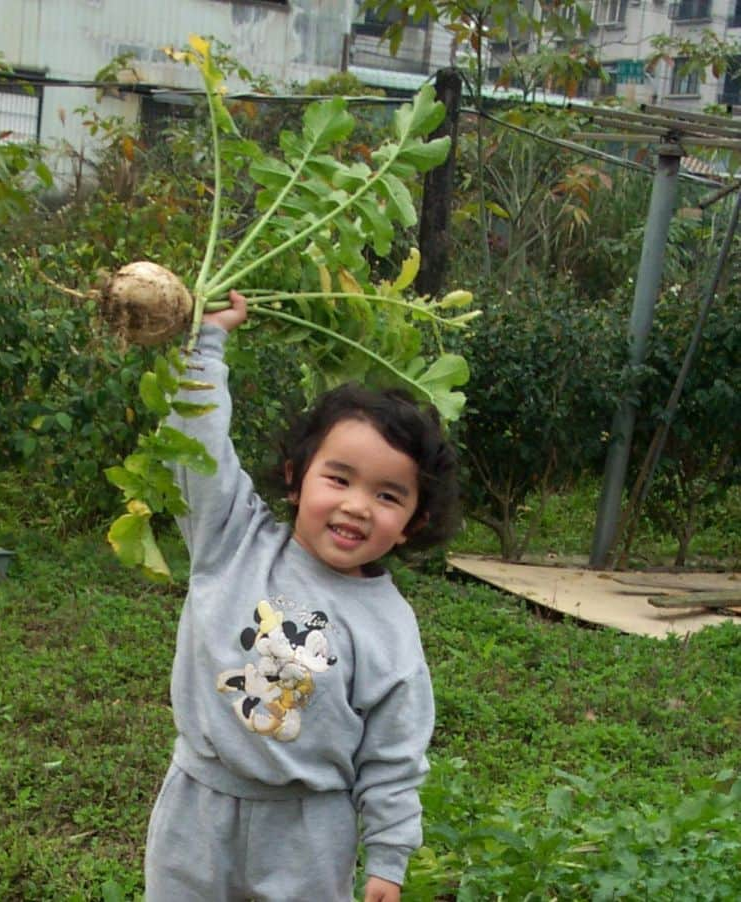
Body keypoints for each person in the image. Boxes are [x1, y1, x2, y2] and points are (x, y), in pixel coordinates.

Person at [144, 290, 460, 902]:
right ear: (295, 477)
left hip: (309, 829)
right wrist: (204, 344)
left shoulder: (391, 629)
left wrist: (389, 860)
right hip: (197, 811)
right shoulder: (231, 539)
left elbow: (395, 755)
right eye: (338, 478)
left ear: (415, 522)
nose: (355, 506)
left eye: (388, 495)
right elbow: (198, 446)